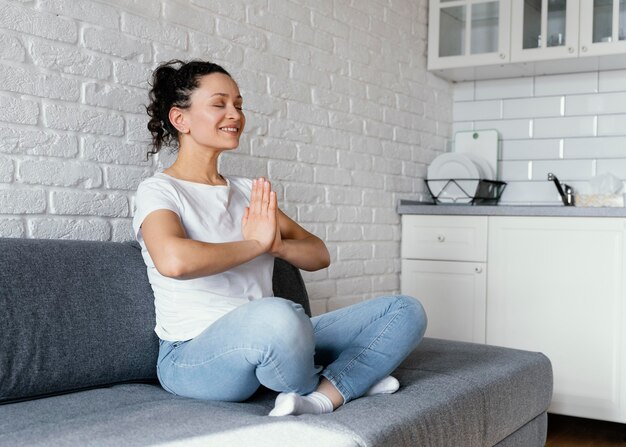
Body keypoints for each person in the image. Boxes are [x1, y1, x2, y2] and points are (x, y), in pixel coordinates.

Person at [133, 59, 427, 416]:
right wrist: (255, 245)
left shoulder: (246, 192)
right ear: (181, 119)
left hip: (274, 338)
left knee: (405, 310)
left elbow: (318, 253)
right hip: (194, 356)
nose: (235, 114)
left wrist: (277, 245)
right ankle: (348, 380)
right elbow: (174, 261)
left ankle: (324, 396)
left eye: (239, 105)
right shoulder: (159, 190)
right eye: (219, 104)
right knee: (281, 315)